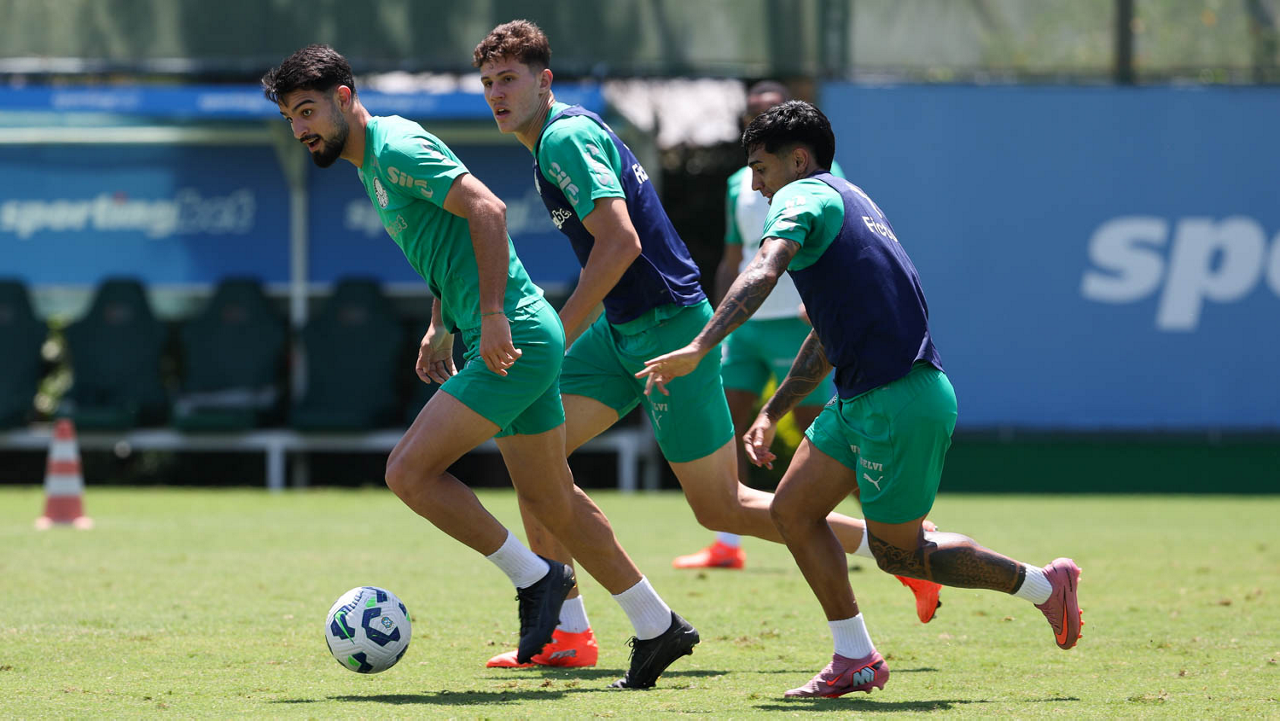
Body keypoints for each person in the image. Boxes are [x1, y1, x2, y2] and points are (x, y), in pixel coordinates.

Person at [472, 20, 942, 672]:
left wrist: (553, 335)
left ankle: (909, 553)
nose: (497, 93)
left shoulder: (565, 137)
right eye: (489, 82)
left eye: (509, 79)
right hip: (622, 328)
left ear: (543, 81)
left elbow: (621, 244)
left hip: (666, 327)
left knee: (720, 505)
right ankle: (566, 632)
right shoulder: (555, 140)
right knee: (531, 450)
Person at [261, 44, 697, 690]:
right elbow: (453, 231)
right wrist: (443, 321)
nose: (300, 130)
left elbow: (487, 211)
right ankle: (657, 624)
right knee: (553, 498)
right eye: (292, 118)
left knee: (408, 470)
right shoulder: (371, 163)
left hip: (514, 336)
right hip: (518, 334)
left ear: (345, 99)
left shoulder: (396, 148)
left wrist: (490, 315)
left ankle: (536, 576)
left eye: (307, 112)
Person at [638, 100, 1083, 698]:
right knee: (791, 513)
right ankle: (856, 657)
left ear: (798, 160)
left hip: (900, 400)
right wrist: (772, 412)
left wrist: (701, 344)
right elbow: (827, 335)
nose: (755, 183)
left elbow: (763, 267)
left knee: (902, 555)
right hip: (860, 400)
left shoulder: (805, 196)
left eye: (761, 168)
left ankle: (1044, 586)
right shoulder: (849, 202)